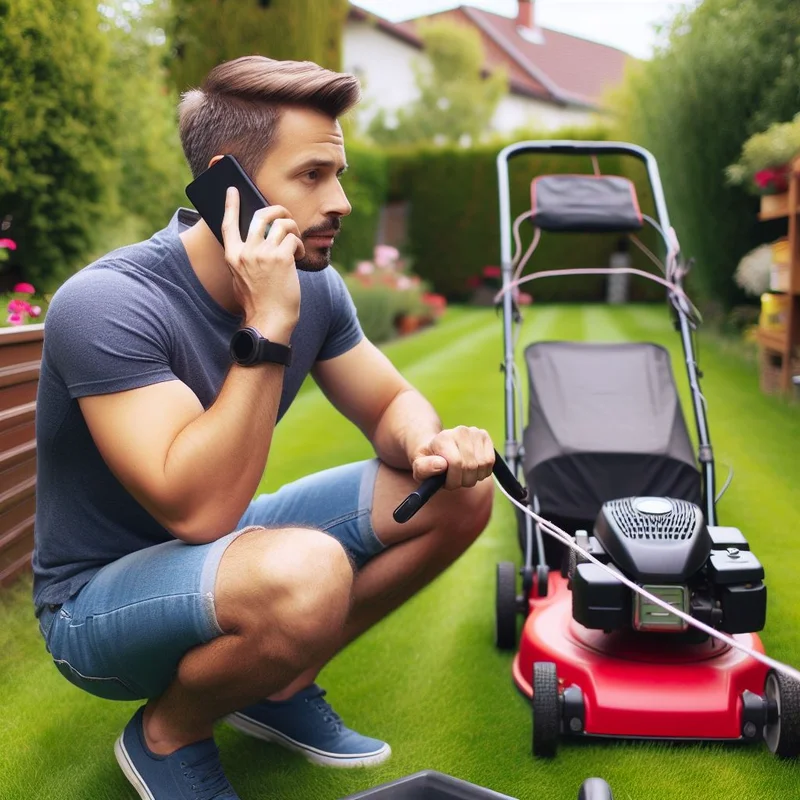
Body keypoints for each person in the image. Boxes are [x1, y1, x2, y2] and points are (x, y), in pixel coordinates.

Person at [31, 56, 495, 799]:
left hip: (227, 552)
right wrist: (268, 323)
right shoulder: (106, 304)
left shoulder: (317, 286)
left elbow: (387, 406)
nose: (341, 201)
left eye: (337, 173)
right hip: (94, 607)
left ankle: (276, 688)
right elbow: (199, 510)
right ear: (229, 187)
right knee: (307, 573)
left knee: (460, 495)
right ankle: (167, 735)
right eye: (313, 176)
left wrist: (426, 445)